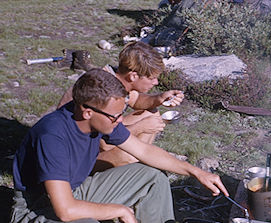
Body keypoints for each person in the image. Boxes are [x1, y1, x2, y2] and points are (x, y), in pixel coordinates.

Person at [12, 68, 229, 223]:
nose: (120, 121)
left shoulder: (102, 119)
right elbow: (65, 210)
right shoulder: (52, 135)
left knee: (152, 176)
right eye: (115, 116)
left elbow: (144, 151)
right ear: (87, 111)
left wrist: (196, 172)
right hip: (36, 210)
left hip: (73, 190)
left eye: (121, 113)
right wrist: (121, 210)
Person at [58, 41, 184, 172]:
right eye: (152, 78)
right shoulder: (103, 91)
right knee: (130, 153)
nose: (156, 82)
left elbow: (135, 101)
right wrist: (140, 127)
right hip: (76, 157)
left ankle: (140, 159)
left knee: (151, 114)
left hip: (96, 139)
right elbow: (105, 144)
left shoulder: (114, 77)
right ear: (133, 76)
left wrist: (159, 98)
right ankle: (130, 167)